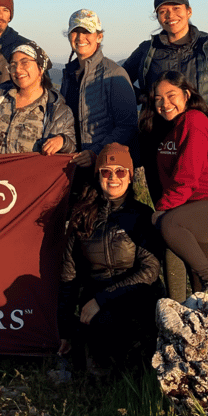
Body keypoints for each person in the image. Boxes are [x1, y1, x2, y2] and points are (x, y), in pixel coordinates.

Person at [57, 143, 163, 375]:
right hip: (94, 303)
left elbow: (149, 270)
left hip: (135, 298)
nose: (113, 177)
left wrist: (103, 299)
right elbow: (68, 274)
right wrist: (63, 328)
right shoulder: (81, 216)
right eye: (106, 171)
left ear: (130, 177)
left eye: (120, 171)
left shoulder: (142, 215)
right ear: (98, 176)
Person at [141, 71, 208, 301]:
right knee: (201, 291)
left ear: (186, 94)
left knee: (168, 225)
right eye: (158, 99)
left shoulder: (193, 121)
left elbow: (187, 177)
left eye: (171, 95)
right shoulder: (170, 128)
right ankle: (199, 317)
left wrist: (162, 209)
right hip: (193, 209)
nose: (165, 103)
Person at [122, 0, 208, 151]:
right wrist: (144, 98)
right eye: (163, 11)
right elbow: (119, 81)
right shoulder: (148, 50)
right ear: (158, 17)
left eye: (176, 8)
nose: (170, 15)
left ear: (189, 11)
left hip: (201, 143)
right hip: (158, 144)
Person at [0, 40, 76, 158]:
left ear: (41, 68)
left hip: (31, 175)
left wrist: (63, 141)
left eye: (25, 63)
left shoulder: (57, 110)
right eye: (13, 65)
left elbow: (72, 148)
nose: (18, 70)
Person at [59, 9, 138, 168]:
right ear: (69, 36)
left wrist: (95, 152)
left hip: (105, 167)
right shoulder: (69, 74)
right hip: (73, 163)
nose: (80, 37)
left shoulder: (114, 74)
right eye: (75, 32)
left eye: (87, 31)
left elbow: (127, 127)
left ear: (99, 36)